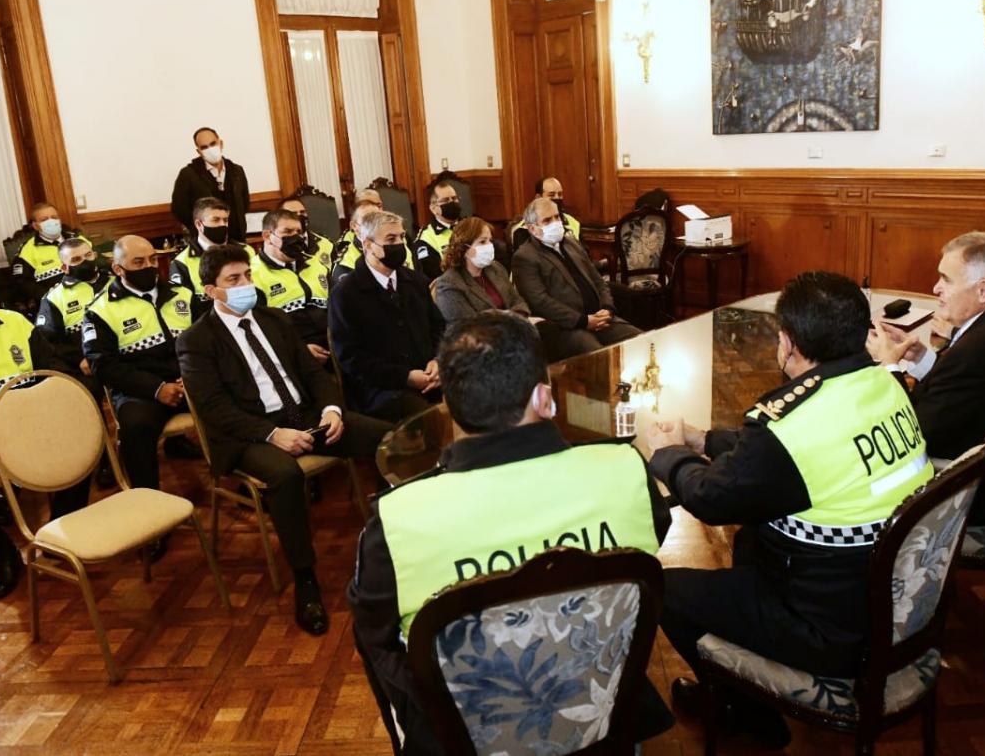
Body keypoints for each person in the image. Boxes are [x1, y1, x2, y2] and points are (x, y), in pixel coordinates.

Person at [351, 312, 673, 755]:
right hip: (605, 720)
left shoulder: (398, 522)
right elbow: (651, 546)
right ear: (544, 398)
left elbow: (376, 637)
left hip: (466, 737)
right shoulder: (626, 471)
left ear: (449, 405)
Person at [647, 271, 934, 747]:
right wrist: (702, 439)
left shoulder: (787, 422)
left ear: (788, 342)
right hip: (894, 595)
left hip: (828, 628)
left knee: (662, 588)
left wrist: (667, 454)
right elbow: (790, 455)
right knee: (750, 541)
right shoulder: (882, 385)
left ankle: (742, 712)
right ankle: (743, 692)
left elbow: (711, 499)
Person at [177, 244, 392, 635]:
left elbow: (312, 374)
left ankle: (388, 537)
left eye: (247, 275)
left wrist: (331, 411)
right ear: (211, 290)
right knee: (286, 476)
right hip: (250, 433)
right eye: (234, 280)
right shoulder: (196, 339)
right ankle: (305, 578)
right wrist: (272, 433)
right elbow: (213, 408)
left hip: (306, 416)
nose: (246, 284)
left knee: (388, 439)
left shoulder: (274, 319)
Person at [868, 233, 985, 523]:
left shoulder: (981, 348)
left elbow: (912, 435)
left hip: (973, 491)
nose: (936, 288)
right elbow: (965, 388)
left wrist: (889, 366)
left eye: (946, 279)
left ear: (983, 290)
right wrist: (921, 358)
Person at [0, 264, 92, 597]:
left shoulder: (13, 323)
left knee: (81, 454)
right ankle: (2, 555)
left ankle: (58, 537)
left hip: (28, 428)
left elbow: (53, 369)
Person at [83, 235, 195, 492]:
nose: (149, 266)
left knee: (240, 397)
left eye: (153, 259)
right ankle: (149, 502)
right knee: (136, 428)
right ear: (118, 269)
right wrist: (157, 388)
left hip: (189, 381)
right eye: (139, 261)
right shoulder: (100, 310)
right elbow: (103, 366)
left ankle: (252, 480)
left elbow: (207, 342)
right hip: (141, 391)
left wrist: (191, 377)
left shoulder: (182, 295)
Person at [328, 209, 445, 423]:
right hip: (380, 388)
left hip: (428, 374)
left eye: (401, 237)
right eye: (390, 239)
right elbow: (350, 357)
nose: (399, 244)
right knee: (424, 415)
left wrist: (437, 361)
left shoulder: (414, 281)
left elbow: (438, 328)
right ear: (368, 245)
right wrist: (406, 378)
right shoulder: (346, 293)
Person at [512, 197, 640, 357]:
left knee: (640, 340)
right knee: (599, 356)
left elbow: (598, 280)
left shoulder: (571, 243)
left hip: (600, 319)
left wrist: (607, 308)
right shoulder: (525, 256)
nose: (555, 222)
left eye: (557, 217)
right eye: (547, 220)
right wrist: (584, 321)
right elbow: (540, 302)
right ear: (532, 229)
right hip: (568, 327)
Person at [250, 209, 332, 364]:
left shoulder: (316, 265)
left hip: (332, 343)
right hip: (290, 354)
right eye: (287, 231)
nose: (295, 237)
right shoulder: (253, 275)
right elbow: (261, 329)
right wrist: (299, 349)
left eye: (299, 232)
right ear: (268, 236)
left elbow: (337, 307)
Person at [36, 238, 110, 394]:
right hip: (85, 364)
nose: (85, 261)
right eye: (76, 259)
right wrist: (78, 359)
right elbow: (47, 342)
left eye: (88, 255)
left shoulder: (116, 282)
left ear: (95, 255)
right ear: (65, 267)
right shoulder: (54, 298)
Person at [432, 217, 533, 324]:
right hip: (480, 338)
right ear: (464, 248)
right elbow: (466, 325)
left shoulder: (496, 268)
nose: (489, 246)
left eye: (490, 240)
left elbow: (517, 301)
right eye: (482, 241)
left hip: (513, 329)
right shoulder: (449, 283)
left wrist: (519, 318)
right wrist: (510, 319)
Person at [169, 197, 254, 319]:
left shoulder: (246, 250)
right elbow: (184, 308)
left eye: (225, 220)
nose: (222, 225)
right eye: (215, 220)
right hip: (211, 325)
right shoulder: (182, 263)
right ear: (199, 224)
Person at [170, 126, 250, 241]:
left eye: (213, 144)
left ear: (220, 143)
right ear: (199, 152)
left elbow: (245, 203)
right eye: (204, 147)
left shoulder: (237, 171)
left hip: (237, 237)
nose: (210, 149)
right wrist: (200, 228)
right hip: (207, 240)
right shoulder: (188, 174)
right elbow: (179, 209)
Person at [12, 201, 91, 313]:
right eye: (44, 220)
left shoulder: (76, 238)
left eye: (54, 217)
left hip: (87, 292)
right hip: (55, 302)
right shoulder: (28, 250)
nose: (51, 221)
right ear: (35, 225)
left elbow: (94, 260)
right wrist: (50, 297)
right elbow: (22, 282)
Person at [413, 179, 463, 280]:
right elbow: (434, 273)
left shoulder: (471, 225)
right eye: (445, 200)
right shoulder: (425, 238)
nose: (451, 203)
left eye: (454, 198)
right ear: (433, 208)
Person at [332, 189, 384, 281]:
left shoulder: (395, 244)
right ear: (355, 226)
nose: (375, 223)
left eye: (378, 218)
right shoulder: (346, 262)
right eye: (368, 219)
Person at [278, 195, 336, 273]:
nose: (299, 215)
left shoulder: (325, 243)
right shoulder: (276, 246)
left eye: (302, 212)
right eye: (293, 213)